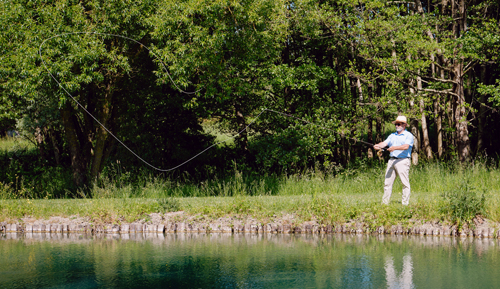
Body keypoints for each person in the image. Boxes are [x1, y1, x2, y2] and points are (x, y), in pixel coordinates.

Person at [373, 116, 414, 205]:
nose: (396, 126)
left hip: (403, 161)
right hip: (392, 160)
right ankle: (385, 203)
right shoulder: (392, 135)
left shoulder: (409, 135)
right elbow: (385, 143)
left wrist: (394, 148)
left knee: (404, 183)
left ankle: (405, 204)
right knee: (387, 183)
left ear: (404, 125)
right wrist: (378, 146)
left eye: (399, 124)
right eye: (396, 124)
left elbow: (406, 146)